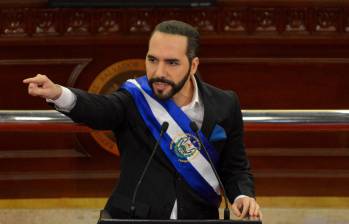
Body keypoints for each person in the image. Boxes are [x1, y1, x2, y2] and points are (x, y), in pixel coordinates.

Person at [23, 20, 262, 220]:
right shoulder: (134, 97)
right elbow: (100, 109)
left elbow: (236, 167)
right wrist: (58, 93)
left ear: (193, 65)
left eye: (172, 62)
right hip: (133, 217)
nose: (159, 72)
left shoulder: (225, 103)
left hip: (200, 218)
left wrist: (242, 196)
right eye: (152, 59)